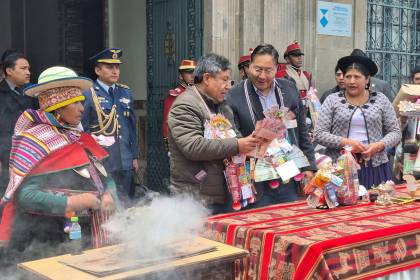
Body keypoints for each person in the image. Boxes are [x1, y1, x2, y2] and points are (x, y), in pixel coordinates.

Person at [0, 66, 117, 263]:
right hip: (46, 242)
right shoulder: (35, 141)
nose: (82, 108)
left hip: (84, 238)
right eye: (75, 103)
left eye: (82, 101)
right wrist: (71, 203)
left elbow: (106, 177)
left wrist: (109, 193)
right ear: (58, 107)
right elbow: (25, 196)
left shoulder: (80, 138)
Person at [168, 53, 260, 214]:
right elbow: (193, 146)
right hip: (194, 197)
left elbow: (235, 138)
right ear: (207, 78)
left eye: (229, 81)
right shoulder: (185, 105)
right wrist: (238, 145)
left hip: (224, 192)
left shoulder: (222, 105)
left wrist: (253, 145)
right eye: (224, 80)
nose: (229, 86)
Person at [226, 44, 317, 207]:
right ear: (249, 67)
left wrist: (309, 167)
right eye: (257, 69)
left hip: (288, 174)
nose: (262, 76)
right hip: (254, 178)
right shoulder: (235, 95)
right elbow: (234, 136)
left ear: (277, 68)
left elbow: (301, 130)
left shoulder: (288, 88)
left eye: (268, 70)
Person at [314, 54, 401, 189]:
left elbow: (395, 132)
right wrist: (346, 143)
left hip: (375, 164)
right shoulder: (332, 100)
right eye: (348, 76)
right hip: (340, 166)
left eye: (357, 77)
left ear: (367, 79)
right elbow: (319, 133)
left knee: (375, 206)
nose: (351, 81)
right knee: (341, 207)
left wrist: (379, 145)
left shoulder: (380, 99)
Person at [82, 48, 139, 203]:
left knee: (125, 202)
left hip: (125, 159)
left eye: (117, 67)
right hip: (103, 160)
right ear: (98, 70)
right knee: (105, 205)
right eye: (109, 67)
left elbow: (131, 128)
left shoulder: (125, 92)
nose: (115, 71)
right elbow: (84, 130)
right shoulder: (88, 93)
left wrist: (134, 156)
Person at [0, 50, 37, 201]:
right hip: (5, 157)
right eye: (23, 69)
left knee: (28, 195)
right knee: (7, 197)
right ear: (9, 71)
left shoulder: (31, 92)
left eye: (28, 68)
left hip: (30, 154)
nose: (28, 72)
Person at [163, 59, 196, 142]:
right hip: (183, 141)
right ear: (181, 76)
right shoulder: (175, 95)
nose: (193, 76)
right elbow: (168, 122)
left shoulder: (202, 94)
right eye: (189, 72)